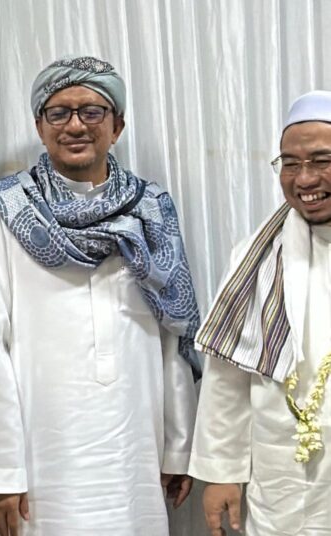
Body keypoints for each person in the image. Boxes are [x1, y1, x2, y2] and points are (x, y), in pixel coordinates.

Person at [0, 56, 201, 536]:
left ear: (118, 126)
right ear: (40, 126)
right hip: (41, 457)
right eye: (59, 113)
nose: (75, 125)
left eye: (92, 111)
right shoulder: (6, 212)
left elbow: (173, 332)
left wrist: (179, 446)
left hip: (135, 451)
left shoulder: (151, 211)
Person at [189, 90, 331, 535]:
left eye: (322, 160)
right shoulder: (254, 257)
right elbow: (227, 378)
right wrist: (221, 472)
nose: (304, 178)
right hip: (284, 473)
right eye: (290, 163)